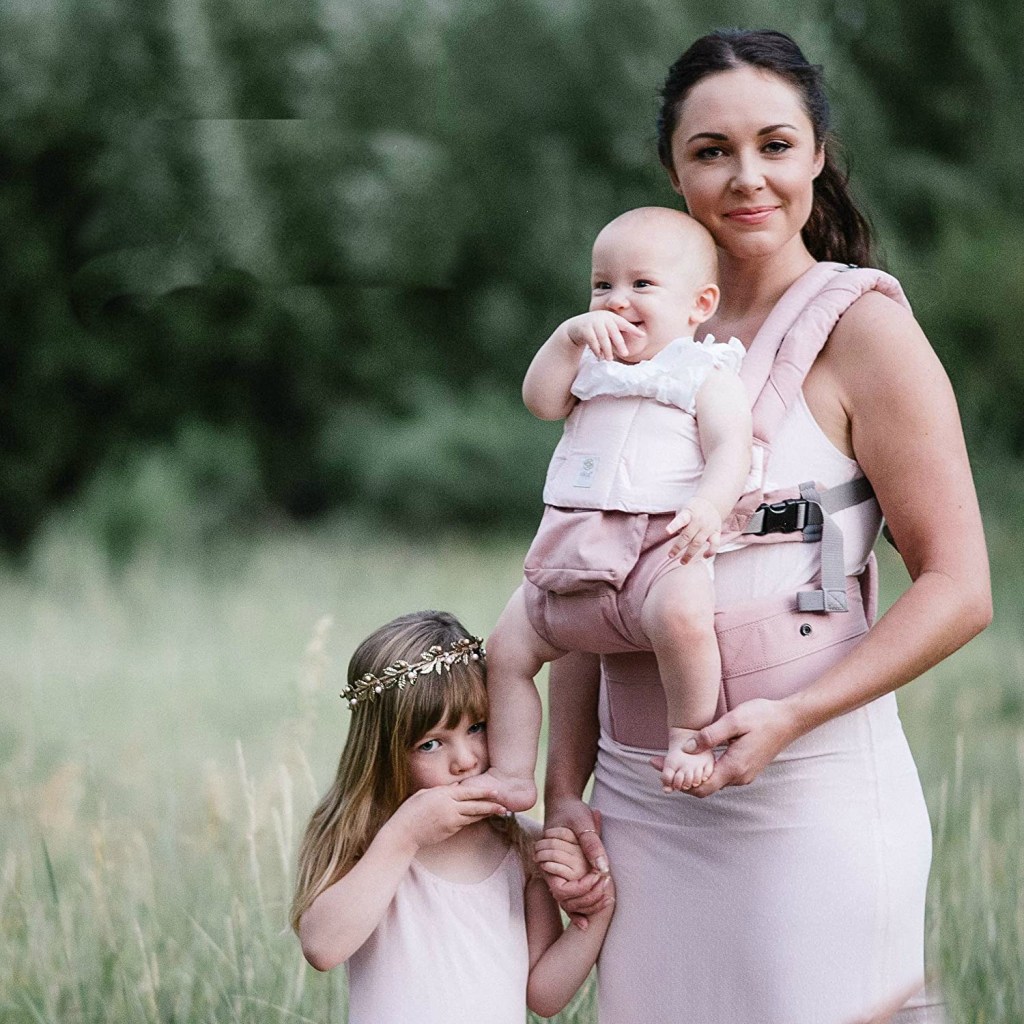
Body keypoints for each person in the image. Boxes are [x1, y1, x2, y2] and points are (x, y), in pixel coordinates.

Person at [541, 29, 991, 1024]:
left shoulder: (862, 331)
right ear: (673, 166)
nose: (746, 177)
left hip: (808, 802)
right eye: (711, 151)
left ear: (819, 154)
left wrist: (788, 717)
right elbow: (586, 579)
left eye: (774, 145)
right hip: (637, 802)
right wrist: (563, 789)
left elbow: (960, 588)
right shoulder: (635, 337)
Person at [484, 207, 752, 809]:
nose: (616, 299)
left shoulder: (704, 373)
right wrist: (566, 337)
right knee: (504, 651)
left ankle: (687, 735)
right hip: (572, 552)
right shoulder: (589, 368)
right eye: (602, 285)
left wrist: (711, 505)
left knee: (685, 619)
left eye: (641, 285)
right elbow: (539, 401)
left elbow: (731, 446)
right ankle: (510, 771)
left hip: (660, 550)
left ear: (699, 304)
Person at [290, 609, 614, 1024]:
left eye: (477, 727)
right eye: (430, 744)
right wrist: (405, 834)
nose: (464, 760)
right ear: (384, 754)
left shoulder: (523, 847)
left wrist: (594, 914)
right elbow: (322, 947)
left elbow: (544, 996)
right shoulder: (369, 838)